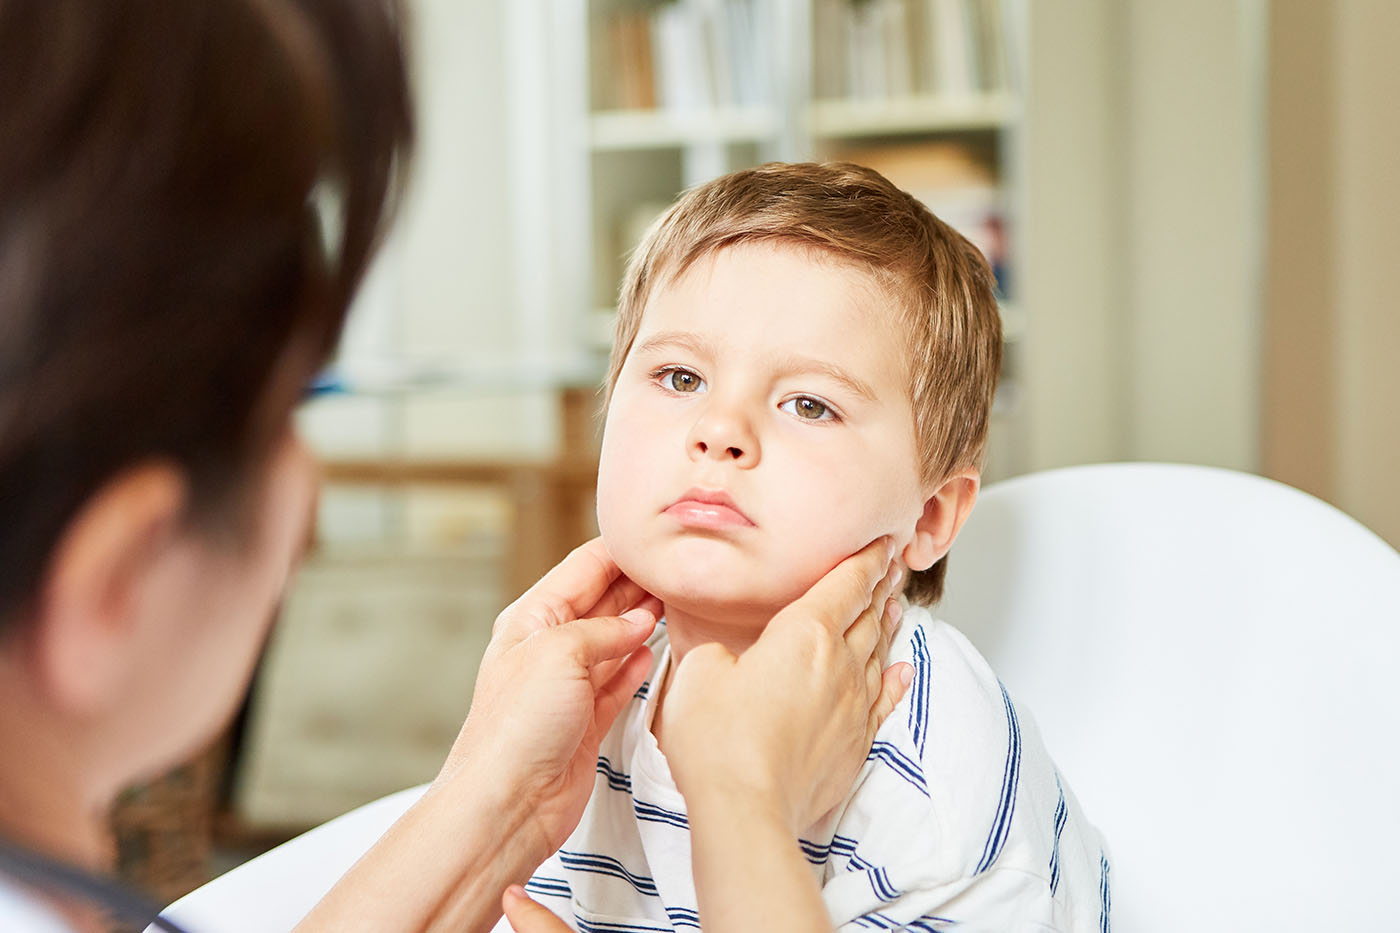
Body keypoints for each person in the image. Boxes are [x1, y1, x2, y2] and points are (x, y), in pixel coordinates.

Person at [0, 4, 911, 932]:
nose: (721, 434)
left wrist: (497, 800)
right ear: (116, 578)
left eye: (809, 403)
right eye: (297, 405)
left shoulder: (935, 747)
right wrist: (745, 804)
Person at [503, 162, 1112, 933]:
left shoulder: (934, 766)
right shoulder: (576, 697)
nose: (720, 430)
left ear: (928, 517)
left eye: (808, 404)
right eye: (681, 376)